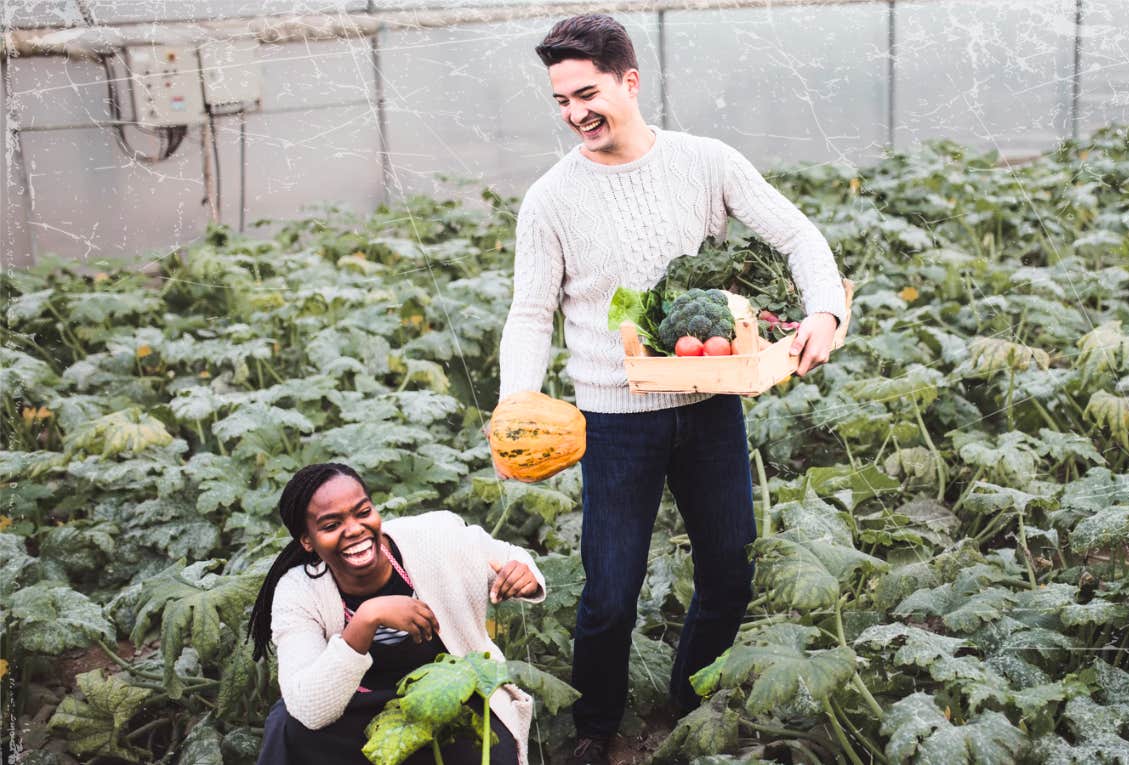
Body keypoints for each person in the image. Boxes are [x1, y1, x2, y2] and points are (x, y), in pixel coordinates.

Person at [494, 13, 848, 764]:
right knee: (608, 595)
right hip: (614, 420)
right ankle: (597, 725)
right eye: (560, 100)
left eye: (586, 93)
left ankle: (689, 702)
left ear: (630, 81)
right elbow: (530, 314)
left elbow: (797, 235)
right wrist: (515, 405)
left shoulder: (705, 162)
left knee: (729, 570)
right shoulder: (550, 199)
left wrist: (826, 307)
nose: (574, 114)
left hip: (711, 403)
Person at [247, 462, 547, 765]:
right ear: (307, 540)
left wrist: (524, 575)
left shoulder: (432, 539)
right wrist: (366, 619)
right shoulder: (299, 590)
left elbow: (509, 557)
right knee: (288, 725)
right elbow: (308, 706)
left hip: (454, 698)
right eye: (330, 525)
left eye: (363, 512)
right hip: (358, 711)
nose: (354, 529)